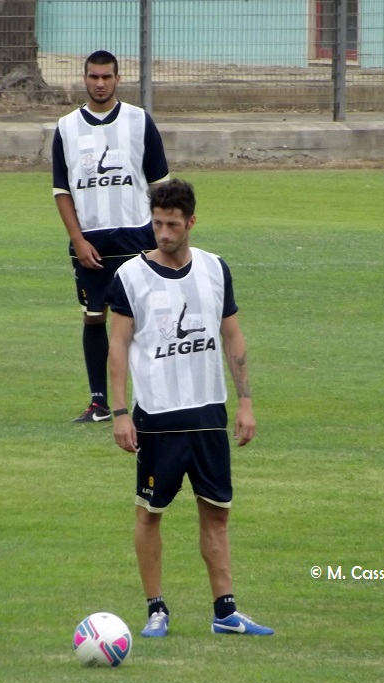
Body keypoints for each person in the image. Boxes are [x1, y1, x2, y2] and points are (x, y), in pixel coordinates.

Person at [107, 179, 273, 638]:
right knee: (150, 513)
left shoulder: (216, 269)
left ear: (191, 222)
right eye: (157, 223)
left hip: (208, 417)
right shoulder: (129, 277)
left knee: (217, 512)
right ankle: (156, 608)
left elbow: (232, 335)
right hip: (156, 421)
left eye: (172, 224)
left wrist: (245, 402)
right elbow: (117, 346)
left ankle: (225, 612)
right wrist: (120, 412)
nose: (162, 233)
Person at [52, 49, 170, 423]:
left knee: (148, 321)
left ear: (118, 79)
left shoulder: (140, 122)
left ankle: (153, 400)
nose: (100, 83)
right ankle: (99, 403)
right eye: (93, 77)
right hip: (92, 243)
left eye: (106, 77)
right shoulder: (66, 127)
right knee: (93, 317)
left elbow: (159, 186)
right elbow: (62, 191)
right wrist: (78, 239)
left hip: (137, 238)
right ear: (84, 79)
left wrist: (159, 239)